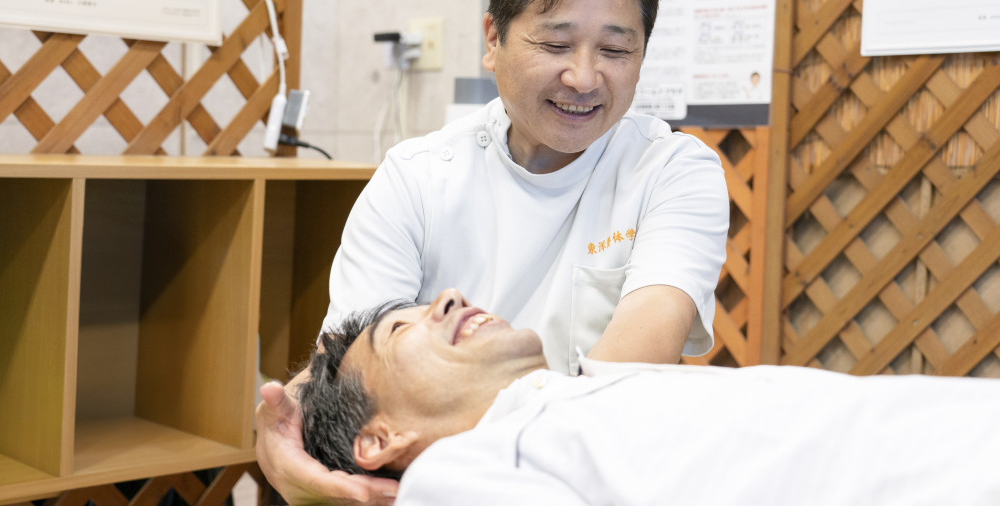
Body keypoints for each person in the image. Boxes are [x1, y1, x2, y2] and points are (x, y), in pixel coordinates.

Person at [256, 0, 730, 504]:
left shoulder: (672, 172)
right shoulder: (417, 178)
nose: (584, 77)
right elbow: (355, 364)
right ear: (493, 39)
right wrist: (287, 429)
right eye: (555, 43)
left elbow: (630, 366)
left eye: (615, 49)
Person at [297, 289, 1000, 505]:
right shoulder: (455, 473)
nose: (450, 297)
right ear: (380, 439)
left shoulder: (588, 394)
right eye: (402, 329)